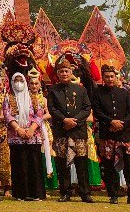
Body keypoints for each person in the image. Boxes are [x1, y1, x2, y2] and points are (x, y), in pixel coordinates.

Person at [90, 64, 130, 205]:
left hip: (124, 135)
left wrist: (121, 123)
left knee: (129, 166)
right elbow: (97, 112)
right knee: (109, 167)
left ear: (116, 77)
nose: (110, 79)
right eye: (107, 77)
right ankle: (113, 195)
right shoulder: (98, 93)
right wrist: (111, 122)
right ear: (103, 78)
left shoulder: (124, 93)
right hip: (108, 134)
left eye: (112, 76)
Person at [47, 57, 92, 202]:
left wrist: (75, 120)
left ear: (71, 72)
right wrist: (64, 120)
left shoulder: (81, 89)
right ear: (58, 74)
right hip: (61, 131)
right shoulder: (53, 90)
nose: (64, 74)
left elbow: (87, 108)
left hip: (78, 132)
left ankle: (85, 193)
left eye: (66, 71)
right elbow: (52, 109)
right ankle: (65, 192)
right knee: (62, 163)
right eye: (61, 71)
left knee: (81, 163)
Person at [2, 72, 46, 202]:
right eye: (16, 81)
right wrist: (18, 129)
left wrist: (31, 129)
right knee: (19, 164)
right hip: (16, 137)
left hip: (33, 136)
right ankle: (21, 194)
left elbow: (39, 114)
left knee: (34, 164)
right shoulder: (8, 98)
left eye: (21, 81)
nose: (19, 83)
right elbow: (7, 114)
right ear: (12, 82)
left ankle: (36, 193)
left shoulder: (33, 97)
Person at [28, 70, 56, 193]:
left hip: (43, 129)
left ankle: (49, 184)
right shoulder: (25, 98)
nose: (34, 86)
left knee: (46, 154)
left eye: (36, 83)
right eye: (32, 83)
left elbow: (49, 114)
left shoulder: (44, 99)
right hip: (29, 129)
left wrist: (38, 119)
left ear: (40, 85)